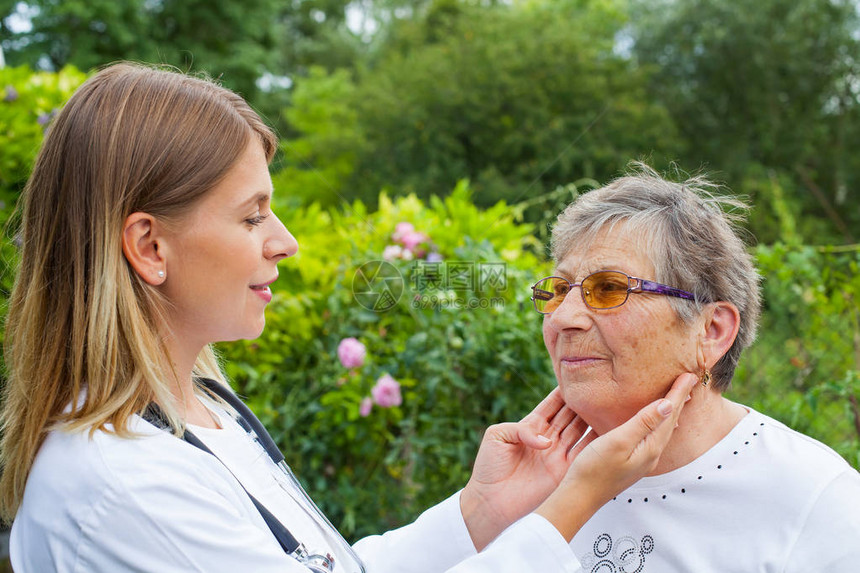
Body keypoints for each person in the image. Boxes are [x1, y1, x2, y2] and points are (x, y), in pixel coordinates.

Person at [0, 63, 697, 573]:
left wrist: (479, 514)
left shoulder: (204, 411)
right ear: (149, 246)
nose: (285, 241)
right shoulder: (124, 487)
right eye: (252, 215)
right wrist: (571, 504)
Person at [532, 166, 860, 572]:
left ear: (711, 330)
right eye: (560, 290)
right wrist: (478, 510)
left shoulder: (815, 503)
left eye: (610, 288)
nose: (564, 317)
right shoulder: (530, 478)